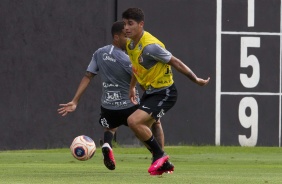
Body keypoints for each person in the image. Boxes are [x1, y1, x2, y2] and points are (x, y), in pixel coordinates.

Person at [57, 21, 165, 171]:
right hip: (131, 105)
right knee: (154, 123)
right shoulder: (127, 60)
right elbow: (141, 82)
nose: (130, 39)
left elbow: (88, 76)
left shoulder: (99, 52)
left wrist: (75, 101)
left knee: (110, 126)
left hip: (108, 106)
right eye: (126, 36)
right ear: (116, 37)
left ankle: (107, 144)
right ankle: (160, 157)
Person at [122, 8, 210, 175]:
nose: (126, 27)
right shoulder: (130, 43)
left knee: (134, 121)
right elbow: (135, 67)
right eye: (125, 23)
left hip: (165, 92)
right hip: (150, 91)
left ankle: (160, 155)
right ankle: (163, 163)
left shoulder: (151, 47)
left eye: (130, 24)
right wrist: (132, 86)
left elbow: (175, 62)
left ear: (141, 25)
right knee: (149, 126)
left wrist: (196, 79)